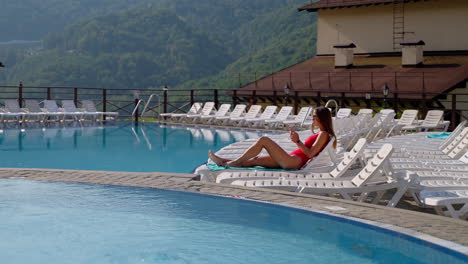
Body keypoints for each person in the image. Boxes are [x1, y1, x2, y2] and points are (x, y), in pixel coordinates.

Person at [208, 106, 336, 169]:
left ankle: (233, 163)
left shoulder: (323, 134)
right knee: (256, 160)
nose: (312, 119)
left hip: (292, 161)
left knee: (264, 140)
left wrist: (297, 141)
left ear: (322, 119)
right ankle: (225, 161)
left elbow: (310, 154)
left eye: (314, 117)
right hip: (291, 159)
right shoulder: (322, 134)